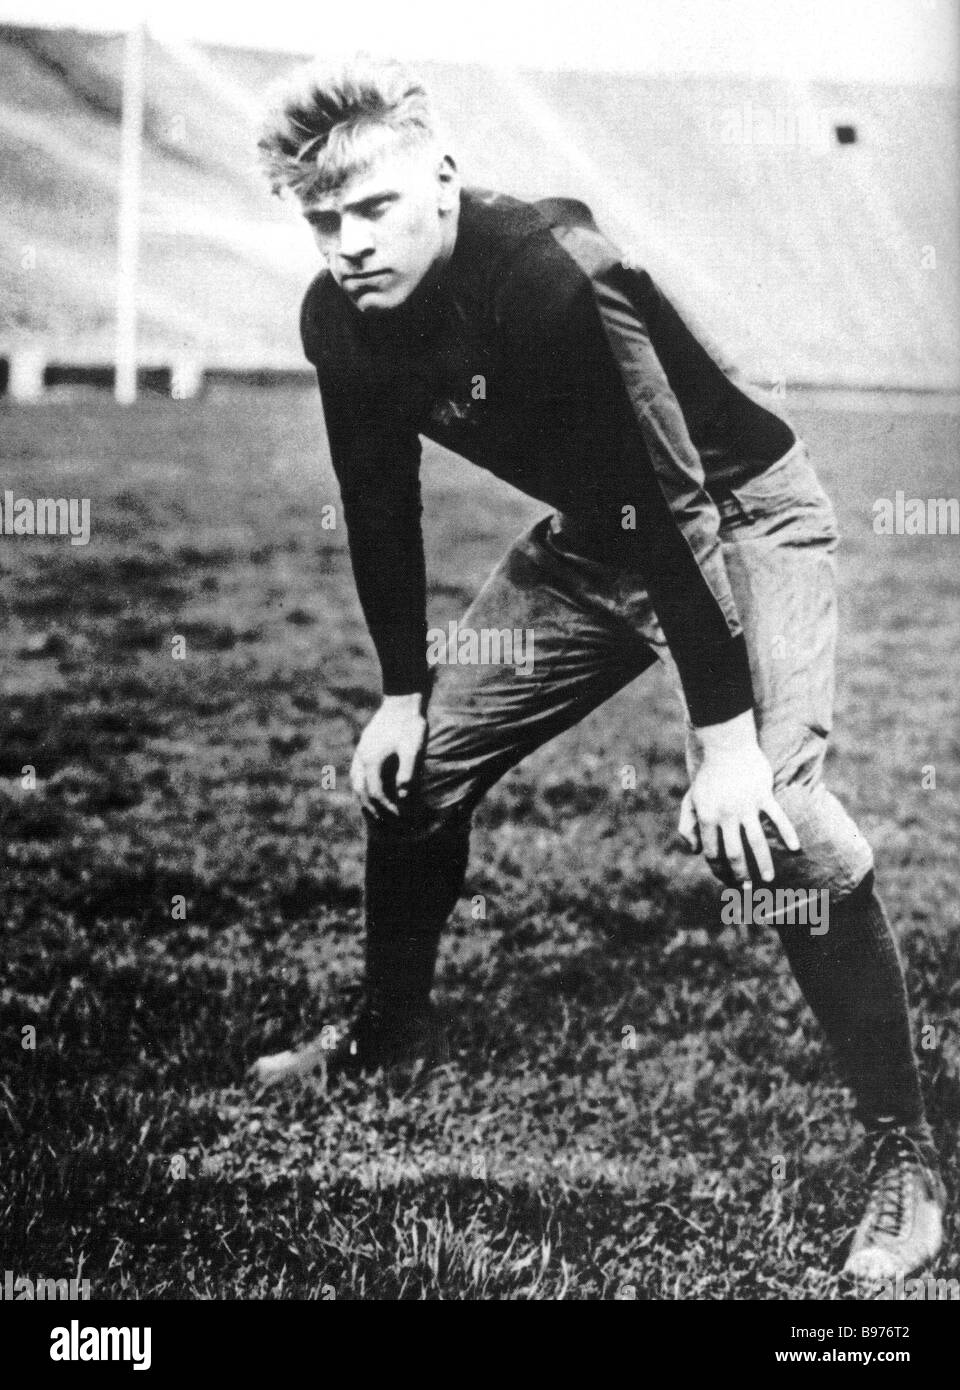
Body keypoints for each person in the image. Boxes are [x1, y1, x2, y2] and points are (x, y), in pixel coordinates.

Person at [254, 54, 944, 1280]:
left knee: (777, 821)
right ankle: (382, 1036)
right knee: (417, 772)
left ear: (444, 181)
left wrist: (727, 742)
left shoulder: (552, 274)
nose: (348, 243)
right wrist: (403, 694)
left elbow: (678, 503)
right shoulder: (339, 318)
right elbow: (377, 502)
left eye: (371, 209)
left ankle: (907, 1152)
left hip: (734, 518)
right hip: (596, 532)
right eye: (322, 221)